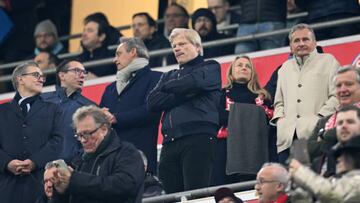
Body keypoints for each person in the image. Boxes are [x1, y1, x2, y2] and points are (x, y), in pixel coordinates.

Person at [147, 28, 222, 193]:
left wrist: (167, 89)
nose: (177, 48)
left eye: (182, 44)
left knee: (195, 194)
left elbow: (195, 82)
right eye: (174, 46)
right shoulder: (168, 75)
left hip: (199, 136)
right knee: (169, 197)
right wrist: (185, 92)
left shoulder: (211, 66)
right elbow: (152, 102)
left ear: (197, 47)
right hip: (169, 141)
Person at [43, 105, 145, 203]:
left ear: (104, 129)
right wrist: (61, 192)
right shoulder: (79, 160)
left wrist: (74, 179)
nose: (83, 140)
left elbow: (123, 187)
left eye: (87, 134)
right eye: (79, 135)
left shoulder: (126, 152)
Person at [271, 23, 340, 164]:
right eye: (296, 41)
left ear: (314, 42)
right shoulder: (284, 68)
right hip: (287, 138)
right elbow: (279, 102)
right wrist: (280, 120)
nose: (301, 44)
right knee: (288, 183)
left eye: (305, 39)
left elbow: (336, 95)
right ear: (290, 46)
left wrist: (319, 119)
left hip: (316, 136)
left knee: (313, 180)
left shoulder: (329, 61)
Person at [0, 62, 63, 203]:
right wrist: (7, 163)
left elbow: (58, 140)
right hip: (7, 187)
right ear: (20, 79)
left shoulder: (53, 109)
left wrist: (34, 162)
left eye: (42, 76)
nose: (41, 79)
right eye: (36, 75)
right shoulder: (1, 111)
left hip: (40, 184)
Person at [100, 37, 161, 175]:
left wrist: (116, 118)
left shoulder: (156, 78)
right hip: (111, 160)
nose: (114, 60)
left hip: (141, 156)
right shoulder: (110, 88)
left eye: (118, 54)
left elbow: (151, 110)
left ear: (133, 52)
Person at [212, 55, 273, 185]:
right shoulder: (220, 95)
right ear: (231, 71)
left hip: (257, 149)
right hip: (224, 150)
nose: (244, 68)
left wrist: (233, 116)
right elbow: (217, 118)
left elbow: (269, 121)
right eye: (239, 65)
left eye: (248, 66)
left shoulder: (263, 97)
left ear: (252, 73)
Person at [41, 60, 95, 163]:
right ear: (62, 75)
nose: (82, 75)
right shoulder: (41, 100)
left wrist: (75, 164)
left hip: (73, 169)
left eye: (84, 72)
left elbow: (92, 141)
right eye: (77, 71)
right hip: (40, 168)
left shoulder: (90, 107)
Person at [308, 67, 360, 162]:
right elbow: (309, 150)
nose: (342, 90)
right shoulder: (323, 121)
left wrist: (327, 136)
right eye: (338, 86)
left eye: (348, 84)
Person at [289, 135, 360, 202]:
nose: (339, 159)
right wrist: (298, 184)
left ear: (356, 157)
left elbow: (332, 193)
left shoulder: (357, 181)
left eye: (345, 155)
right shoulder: (337, 180)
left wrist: (301, 171)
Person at [78, 12, 119, 78]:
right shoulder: (76, 60)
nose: (84, 34)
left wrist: (97, 80)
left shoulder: (113, 60)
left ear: (101, 37)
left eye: (90, 31)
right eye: (84, 30)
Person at [295, 0, 360, 41]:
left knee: (322, 57)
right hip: (345, 13)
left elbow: (300, 2)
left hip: (317, 18)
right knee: (349, 50)